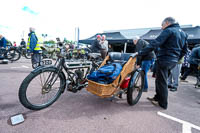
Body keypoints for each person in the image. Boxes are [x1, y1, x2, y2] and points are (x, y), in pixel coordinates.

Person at [138, 17, 188, 109]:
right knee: (160, 80)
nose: (161, 27)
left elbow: (155, 43)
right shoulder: (183, 33)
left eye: (162, 25)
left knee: (162, 82)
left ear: (167, 23)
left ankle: (163, 104)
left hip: (165, 59)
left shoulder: (169, 30)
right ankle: (157, 98)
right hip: (173, 61)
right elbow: (185, 50)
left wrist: (141, 53)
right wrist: (176, 59)